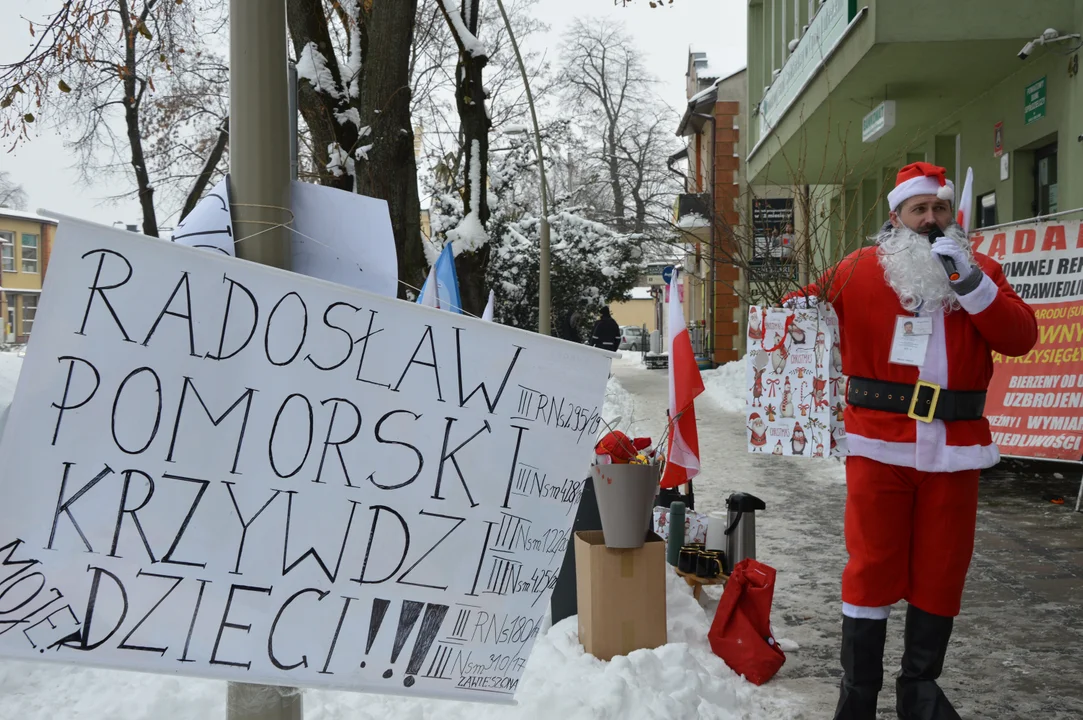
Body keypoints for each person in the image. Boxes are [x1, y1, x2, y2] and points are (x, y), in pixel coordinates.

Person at [782, 161, 1037, 720]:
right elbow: (792, 315)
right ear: (895, 218)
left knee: (944, 566)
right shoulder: (856, 270)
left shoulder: (982, 270)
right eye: (918, 209)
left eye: (939, 209)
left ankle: (919, 689)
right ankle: (858, 694)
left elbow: (1021, 337)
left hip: (955, 447)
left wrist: (970, 285)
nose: (930, 220)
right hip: (878, 443)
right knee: (872, 565)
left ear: (953, 216)